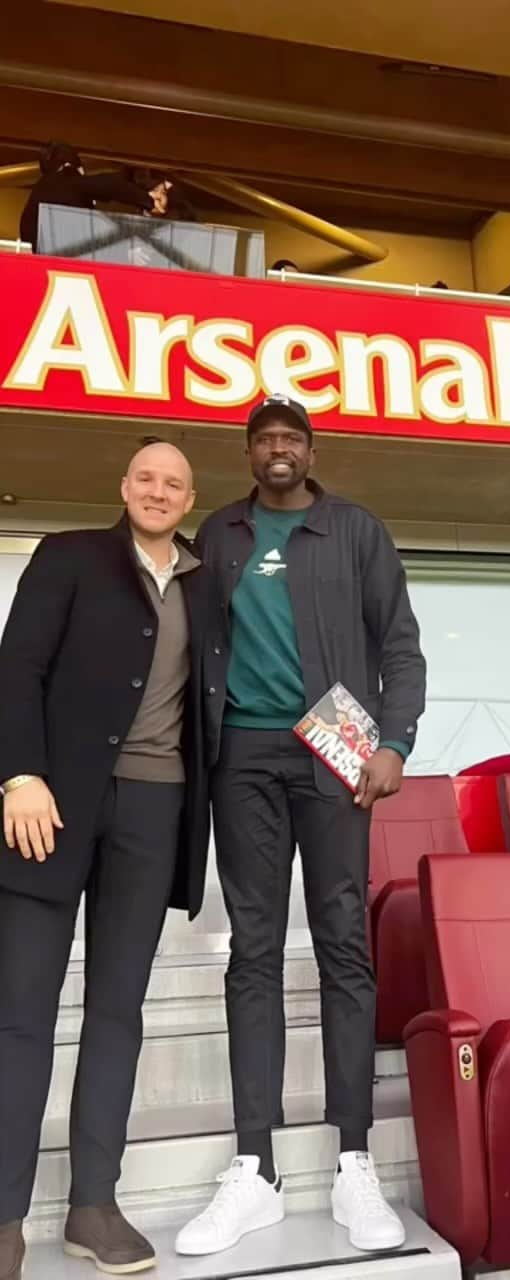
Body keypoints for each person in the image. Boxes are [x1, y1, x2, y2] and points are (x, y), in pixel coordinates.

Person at [176, 394, 426, 1259]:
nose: (278, 449)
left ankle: (354, 1159)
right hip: (241, 756)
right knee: (252, 949)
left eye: (291, 438)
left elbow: (400, 644)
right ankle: (257, 1169)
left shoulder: (355, 531)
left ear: (310, 450)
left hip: (335, 754)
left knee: (341, 947)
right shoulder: (219, 535)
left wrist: (393, 742)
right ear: (249, 453)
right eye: (264, 439)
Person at [0, 442, 221, 1279]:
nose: (158, 491)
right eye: (145, 478)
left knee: (117, 1012)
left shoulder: (208, 584)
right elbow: (14, 668)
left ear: (189, 497)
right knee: (20, 1015)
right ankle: (4, 1218)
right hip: (49, 809)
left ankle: (94, 1204)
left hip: (154, 811)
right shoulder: (69, 557)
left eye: (173, 482)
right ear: (123, 487)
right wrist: (18, 776)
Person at [20, 142, 159, 251]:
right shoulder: (68, 178)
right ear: (72, 166)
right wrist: (148, 200)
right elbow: (111, 185)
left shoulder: (36, 194)